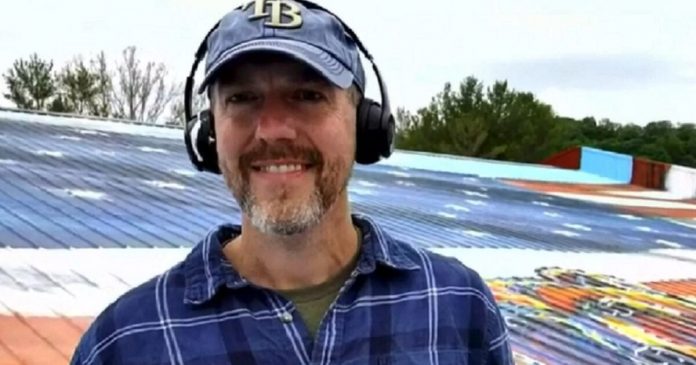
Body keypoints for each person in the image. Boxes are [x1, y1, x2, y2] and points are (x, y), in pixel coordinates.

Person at [70, 1, 513, 364]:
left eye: (307, 96)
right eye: (243, 99)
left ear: (365, 124)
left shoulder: (458, 305)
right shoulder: (124, 343)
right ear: (209, 133)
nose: (273, 129)